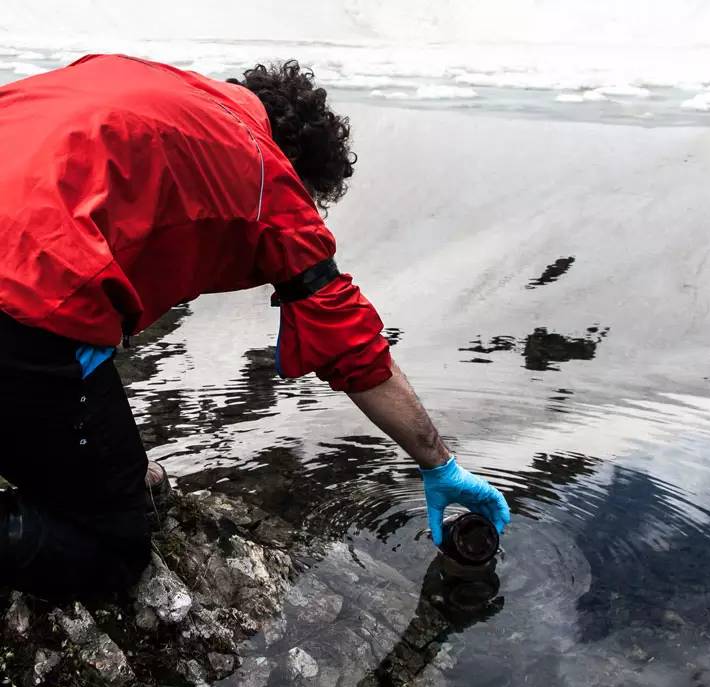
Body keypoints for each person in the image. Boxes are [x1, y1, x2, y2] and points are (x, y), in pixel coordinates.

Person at [0, 55, 510, 599]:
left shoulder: (142, 81)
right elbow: (349, 341)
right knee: (115, 553)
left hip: (27, 271)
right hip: (25, 291)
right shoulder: (265, 172)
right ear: (300, 167)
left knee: (112, 470)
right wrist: (438, 463)